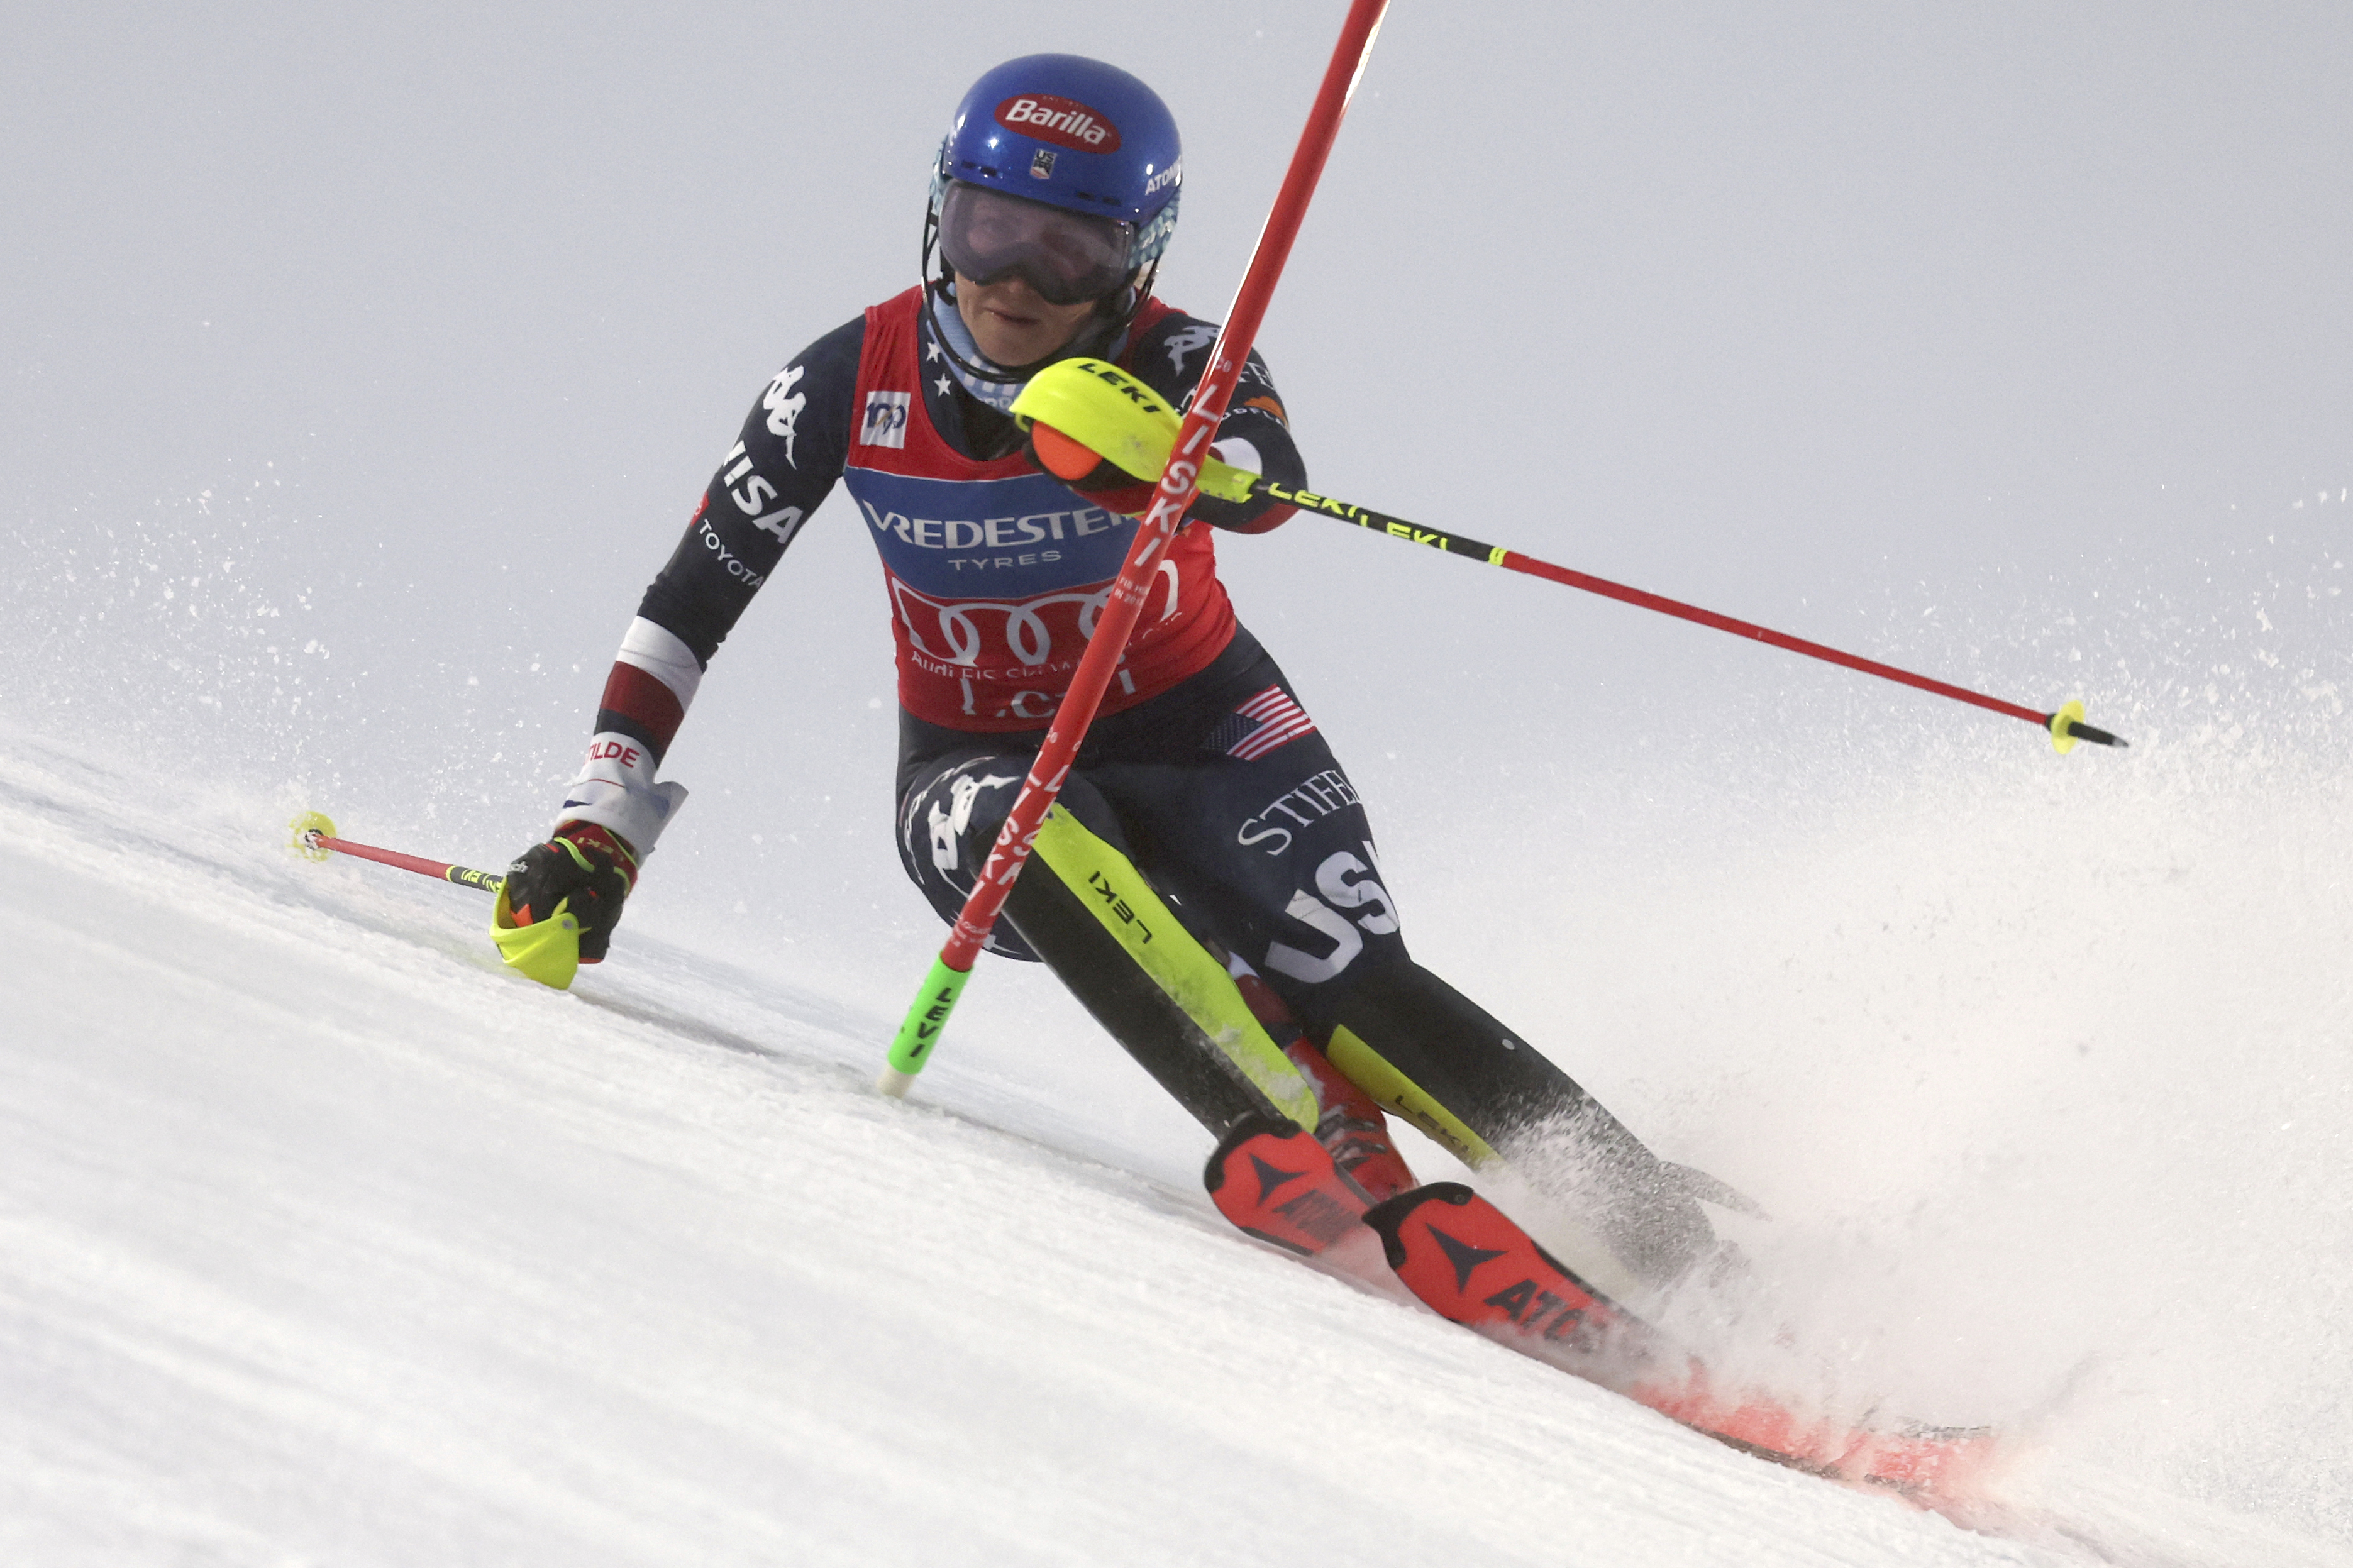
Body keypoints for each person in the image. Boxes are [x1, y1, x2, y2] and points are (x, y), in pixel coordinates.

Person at [496, 54, 1720, 1296]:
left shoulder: (1179, 353)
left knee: (1343, 965)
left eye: (1067, 251)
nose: (1014, 281)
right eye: (988, 230)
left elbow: (1262, 454)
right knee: (1018, 826)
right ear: (940, 215)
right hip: (976, 762)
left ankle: (1684, 1254)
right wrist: (604, 822)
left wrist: (1184, 461)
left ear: (1135, 256)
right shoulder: (838, 381)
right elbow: (690, 600)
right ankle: (1296, 1116)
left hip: (1204, 726)